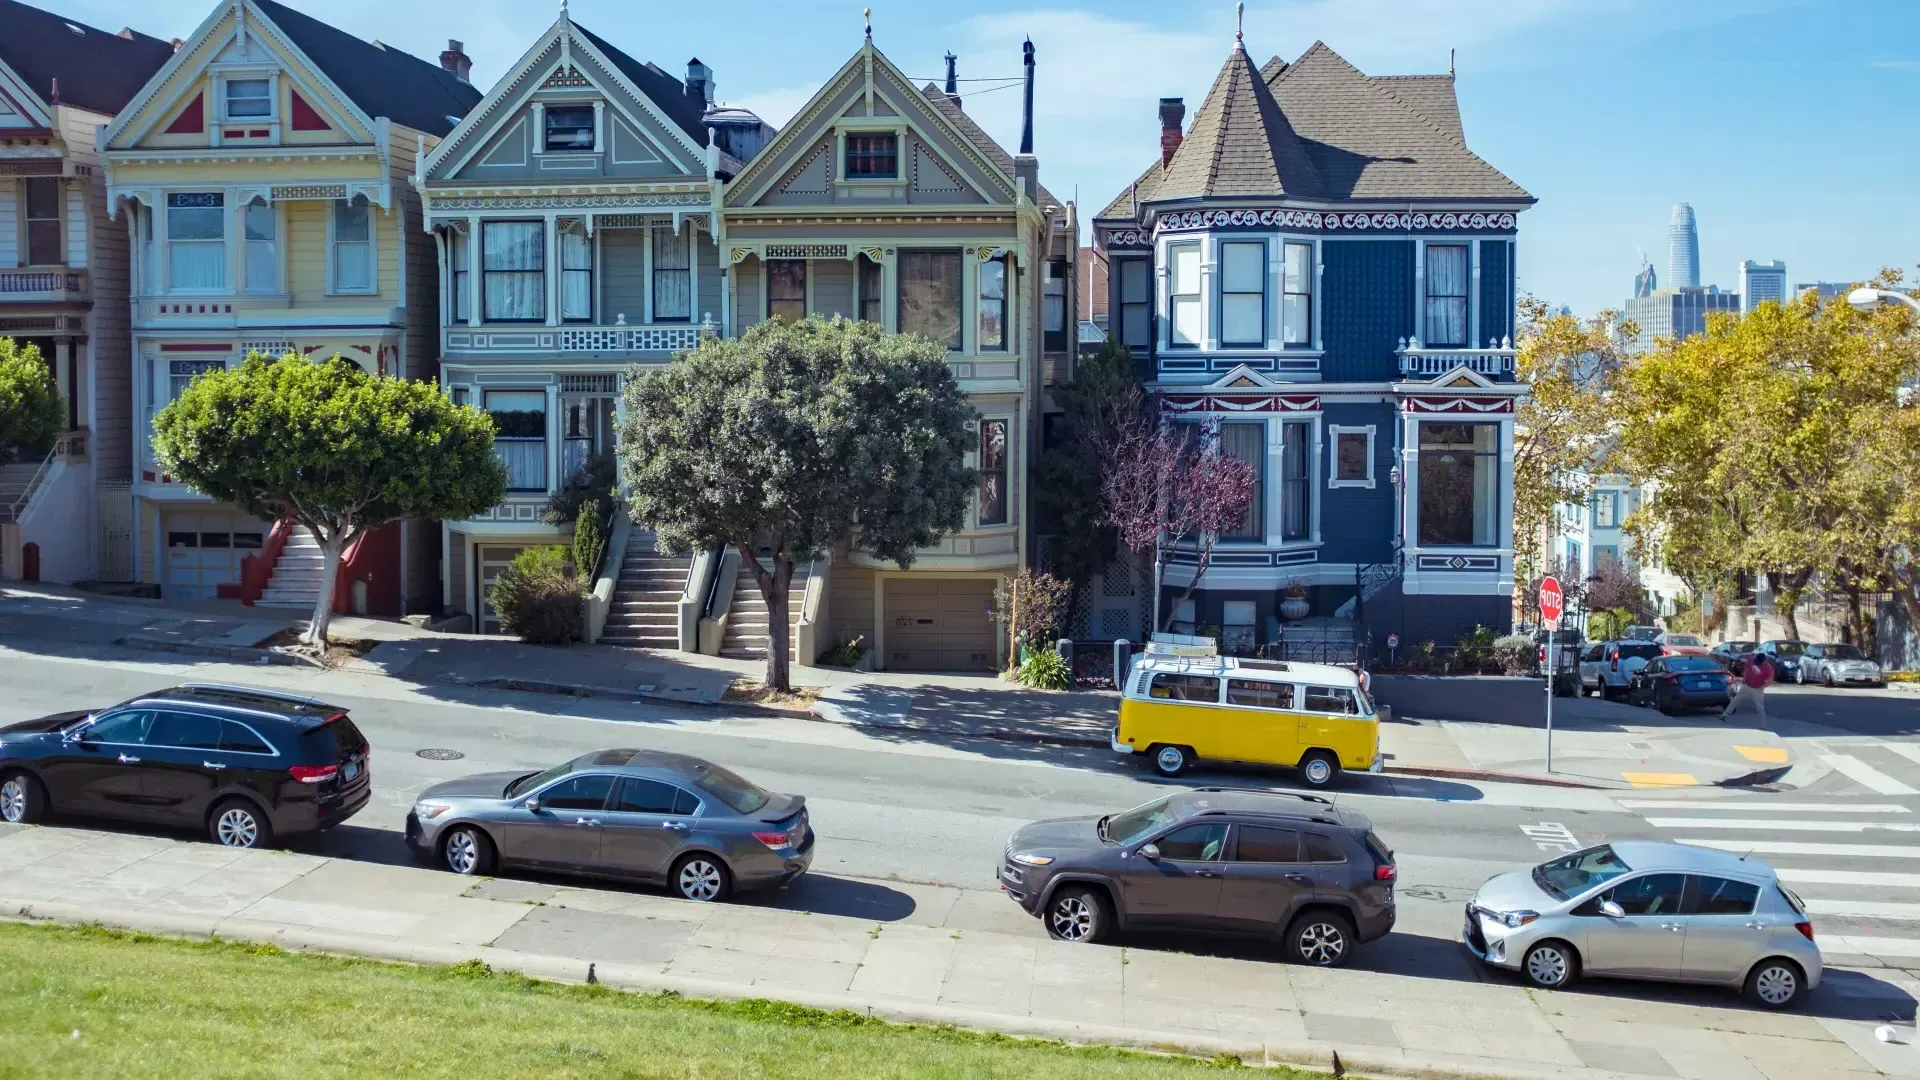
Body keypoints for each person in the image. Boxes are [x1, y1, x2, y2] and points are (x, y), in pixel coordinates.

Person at [1721, 650, 1772, 724]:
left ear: (1764, 661)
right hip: (1747, 686)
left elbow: (1770, 681)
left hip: (1757, 689)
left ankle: (1763, 724)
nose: (1757, 663)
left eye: (1759, 662)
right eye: (1756, 661)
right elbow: (1746, 670)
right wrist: (1744, 680)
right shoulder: (1751, 660)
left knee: (1760, 707)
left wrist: (1761, 688)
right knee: (1736, 699)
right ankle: (1724, 715)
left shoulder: (1768, 668)